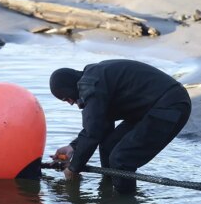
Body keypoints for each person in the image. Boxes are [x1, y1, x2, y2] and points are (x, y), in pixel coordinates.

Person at [49, 59, 191, 194]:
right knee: (109, 145)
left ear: (70, 87)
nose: (71, 103)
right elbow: (99, 125)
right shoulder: (93, 80)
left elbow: (92, 133)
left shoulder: (90, 87)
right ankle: (109, 190)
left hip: (171, 105)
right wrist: (73, 147)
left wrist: (73, 168)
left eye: (66, 98)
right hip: (150, 108)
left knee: (121, 159)